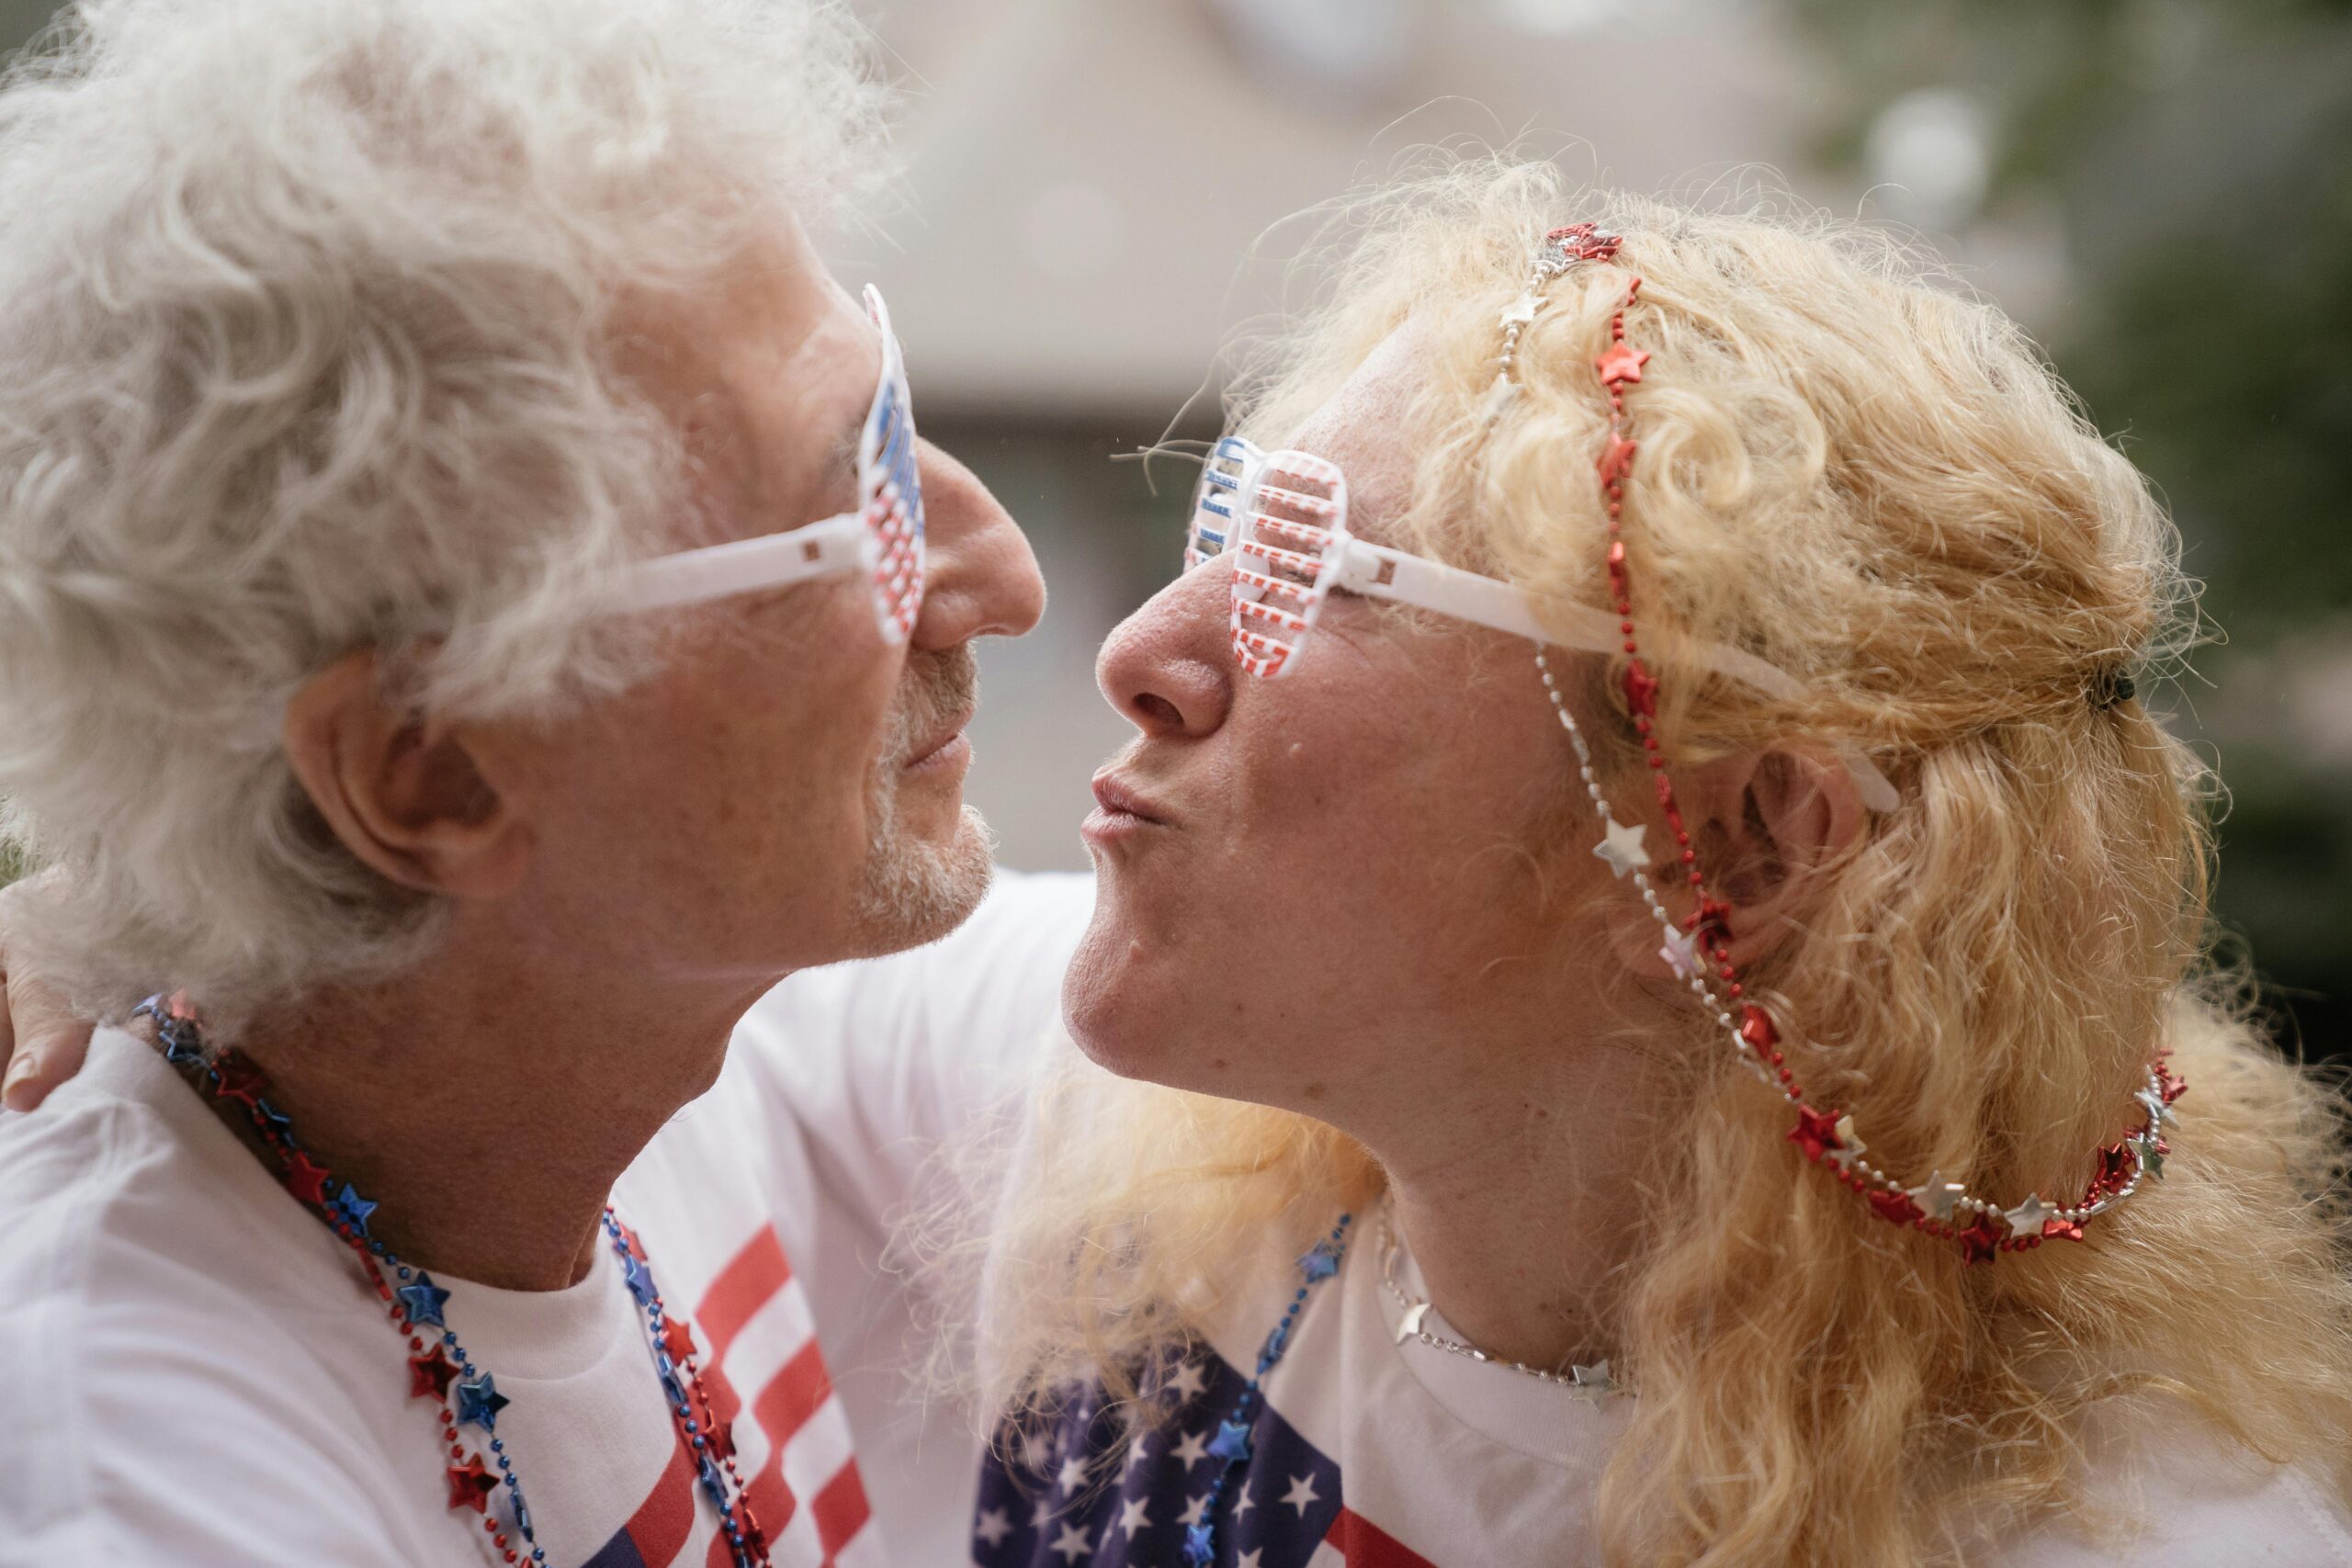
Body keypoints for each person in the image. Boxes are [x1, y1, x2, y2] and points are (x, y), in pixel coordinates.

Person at [0, 0, 1053, 1563]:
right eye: (865, 495)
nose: (1000, 581)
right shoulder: (138, 1462)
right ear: (429, 774)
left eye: (893, 408)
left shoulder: (699, 1028)